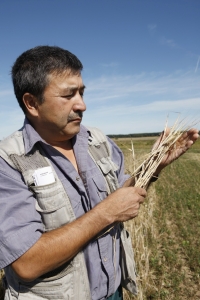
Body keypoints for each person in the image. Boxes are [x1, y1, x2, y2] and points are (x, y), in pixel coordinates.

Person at [0, 46, 198, 300]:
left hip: (113, 291)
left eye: (81, 92)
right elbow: (27, 263)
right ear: (32, 103)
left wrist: (155, 164)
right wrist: (106, 213)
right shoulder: (9, 162)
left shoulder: (98, 141)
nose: (82, 105)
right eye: (68, 95)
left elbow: (121, 198)